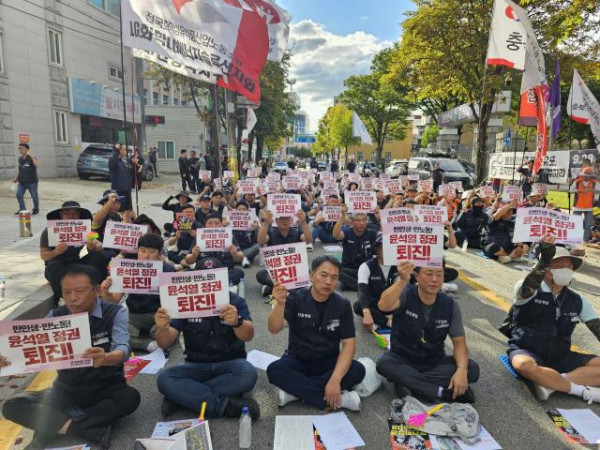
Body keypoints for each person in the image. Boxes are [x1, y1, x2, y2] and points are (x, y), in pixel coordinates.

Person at [1, 265, 140, 449]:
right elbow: (30, 348)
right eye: (66, 292)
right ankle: (86, 428)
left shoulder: (114, 312)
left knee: (131, 398)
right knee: (12, 405)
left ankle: (51, 426)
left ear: (97, 290)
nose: (73, 298)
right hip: (66, 390)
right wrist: (8, 359)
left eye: (80, 291)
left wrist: (106, 358)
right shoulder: (55, 316)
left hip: (106, 387)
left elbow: (122, 348)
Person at [504, 236, 600, 404]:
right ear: (546, 269)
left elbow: (597, 327)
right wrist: (545, 259)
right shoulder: (527, 287)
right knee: (523, 365)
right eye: (559, 265)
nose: (566, 269)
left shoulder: (577, 300)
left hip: (561, 356)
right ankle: (579, 390)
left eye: (569, 266)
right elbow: (528, 288)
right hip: (527, 350)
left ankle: (551, 383)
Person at [266, 256, 366, 410]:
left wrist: (335, 379)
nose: (328, 282)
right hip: (298, 358)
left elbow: (348, 344)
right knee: (274, 370)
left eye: (334, 278)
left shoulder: (342, 304)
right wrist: (279, 304)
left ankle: (297, 393)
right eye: (323, 275)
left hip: (329, 361)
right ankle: (337, 399)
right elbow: (274, 328)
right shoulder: (295, 298)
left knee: (358, 370)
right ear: (312, 276)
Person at [377, 262, 480, 403]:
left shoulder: (450, 304)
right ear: (417, 276)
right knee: (384, 363)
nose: (434, 279)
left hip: (433, 363)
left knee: (472, 369)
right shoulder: (405, 294)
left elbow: (459, 343)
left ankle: (409, 383)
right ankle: (441, 393)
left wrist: (461, 370)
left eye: (439, 274)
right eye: (429, 273)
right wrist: (401, 280)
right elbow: (383, 305)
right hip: (402, 359)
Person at [154, 288, 260, 420]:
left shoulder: (235, 301)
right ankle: (225, 406)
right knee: (164, 379)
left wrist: (237, 322)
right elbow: (164, 343)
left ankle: (184, 397)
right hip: (196, 365)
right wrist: (163, 328)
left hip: (230, 365)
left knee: (248, 374)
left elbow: (248, 336)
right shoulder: (185, 302)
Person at [101, 234, 175, 352]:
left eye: (151, 252)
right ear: (137, 251)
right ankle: (147, 344)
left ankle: (150, 338)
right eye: (142, 251)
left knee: (169, 329)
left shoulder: (168, 270)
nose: (146, 256)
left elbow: (174, 302)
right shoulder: (128, 268)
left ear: (160, 252)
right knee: (112, 329)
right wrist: (106, 290)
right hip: (134, 315)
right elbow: (114, 300)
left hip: (159, 313)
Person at [41, 202, 109, 305]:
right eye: (67, 213)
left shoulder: (86, 229)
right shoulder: (50, 230)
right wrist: (56, 252)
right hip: (59, 262)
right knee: (53, 267)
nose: (71, 216)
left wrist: (93, 246)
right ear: (61, 215)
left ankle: (96, 293)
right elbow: (44, 255)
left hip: (80, 260)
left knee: (100, 257)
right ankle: (62, 298)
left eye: (74, 213)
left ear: (79, 215)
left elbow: (100, 247)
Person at [256, 209, 312, 296]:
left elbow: (308, 240)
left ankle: (273, 289)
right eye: (281, 219)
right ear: (276, 221)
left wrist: (303, 222)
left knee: (310, 273)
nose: (284, 221)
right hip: (278, 272)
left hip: (294, 271)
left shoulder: (297, 233)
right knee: (261, 275)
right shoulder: (271, 232)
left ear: (291, 221)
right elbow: (261, 240)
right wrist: (266, 222)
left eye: (287, 219)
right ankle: (292, 289)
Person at [184, 213, 245, 287]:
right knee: (185, 273)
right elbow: (188, 260)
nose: (213, 226)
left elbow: (240, 257)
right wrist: (193, 255)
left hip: (225, 270)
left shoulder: (229, 236)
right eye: (210, 223)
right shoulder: (199, 237)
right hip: (203, 271)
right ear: (205, 224)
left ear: (221, 224)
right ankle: (223, 286)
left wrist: (235, 254)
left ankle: (210, 286)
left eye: (217, 223)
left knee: (238, 272)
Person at [354, 234, 395, 330]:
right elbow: (362, 291)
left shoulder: (400, 266)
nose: (388, 251)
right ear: (377, 249)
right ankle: (387, 322)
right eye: (384, 247)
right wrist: (367, 313)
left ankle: (378, 322)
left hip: (394, 305)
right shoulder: (366, 266)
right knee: (358, 305)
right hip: (375, 305)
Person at [333, 209, 378, 291]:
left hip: (366, 269)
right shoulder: (347, 232)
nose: (361, 223)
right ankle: (362, 286)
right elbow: (336, 235)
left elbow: (385, 238)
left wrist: (379, 218)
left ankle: (351, 284)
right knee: (335, 271)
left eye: (364, 220)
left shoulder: (372, 233)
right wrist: (342, 217)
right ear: (352, 223)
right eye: (358, 220)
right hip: (349, 268)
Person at [482, 198, 530, 263]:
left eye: (511, 210)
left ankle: (508, 257)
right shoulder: (493, 219)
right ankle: (510, 257)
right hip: (496, 248)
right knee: (493, 247)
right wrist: (510, 205)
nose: (510, 212)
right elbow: (497, 214)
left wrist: (519, 247)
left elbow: (518, 237)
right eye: (508, 210)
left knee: (526, 244)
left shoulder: (513, 223)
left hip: (509, 248)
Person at [570, 167, 599, 242]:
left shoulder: (595, 183)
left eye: (588, 176)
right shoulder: (577, 182)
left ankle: (585, 241)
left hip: (589, 207)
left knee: (588, 225)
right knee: (575, 224)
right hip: (577, 207)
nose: (587, 177)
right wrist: (579, 190)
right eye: (585, 175)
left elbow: (597, 192)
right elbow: (571, 190)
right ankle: (574, 239)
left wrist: (594, 199)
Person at [13, 143, 40, 215]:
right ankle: (23, 210)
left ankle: (36, 209)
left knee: (34, 196)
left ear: (27, 149)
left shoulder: (32, 157)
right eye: (19, 148)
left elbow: (37, 165)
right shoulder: (20, 159)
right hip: (22, 182)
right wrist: (16, 178)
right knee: (19, 195)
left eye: (21, 148)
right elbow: (20, 169)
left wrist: (30, 155)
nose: (20, 150)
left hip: (32, 182)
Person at [108, 145, 132, 212]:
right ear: (120, 150)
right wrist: (116, 150)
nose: (126, 151)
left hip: (127, 191)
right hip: (119, 192)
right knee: (121, 211)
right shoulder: (113, 160)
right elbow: (113, 164)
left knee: (128, 212)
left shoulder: (123, 161)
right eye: (124, 149)